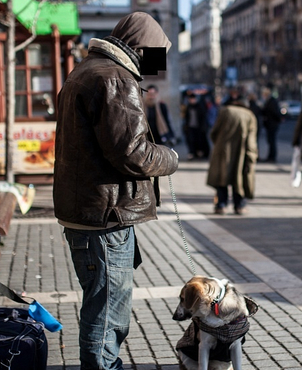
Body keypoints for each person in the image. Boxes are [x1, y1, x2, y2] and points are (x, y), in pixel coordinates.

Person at [53, 12, 179, 370]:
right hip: (105, 217)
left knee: (103, 301)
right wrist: (170, 158)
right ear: (140, 47)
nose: (159, 62)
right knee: (108, 308)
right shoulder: (114, 77)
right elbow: (132, 153)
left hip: (90, 210)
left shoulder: (86, 71)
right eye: (157, 53)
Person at [206, 93, 258, 215]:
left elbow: (214, 132)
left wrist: (219, 144)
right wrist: (252, 156)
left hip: (222, 151)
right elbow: (251, 140)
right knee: (238, 178)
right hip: (241, 153)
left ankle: (221, 205)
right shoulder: (249, 116)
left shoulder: (225, 111)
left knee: (222, 178)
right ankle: (239, 206)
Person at [183, 91, 210, 159]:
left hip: (199, 127)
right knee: (191, 140)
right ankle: (192, 153)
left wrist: (204, 127)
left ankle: (200, 152)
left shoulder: (200, 106)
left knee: (200, 140)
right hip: (191, 127)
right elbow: (186, 117)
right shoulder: (188, 107)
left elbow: (203, 117)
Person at [260, 87, 283, 162]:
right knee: (270, 141)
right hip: (270, 124)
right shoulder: (270, 101)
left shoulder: (271, 102)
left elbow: (274, 113)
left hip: (272, 124)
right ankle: (271, 156)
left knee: (272, 141)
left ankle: (272, 157)